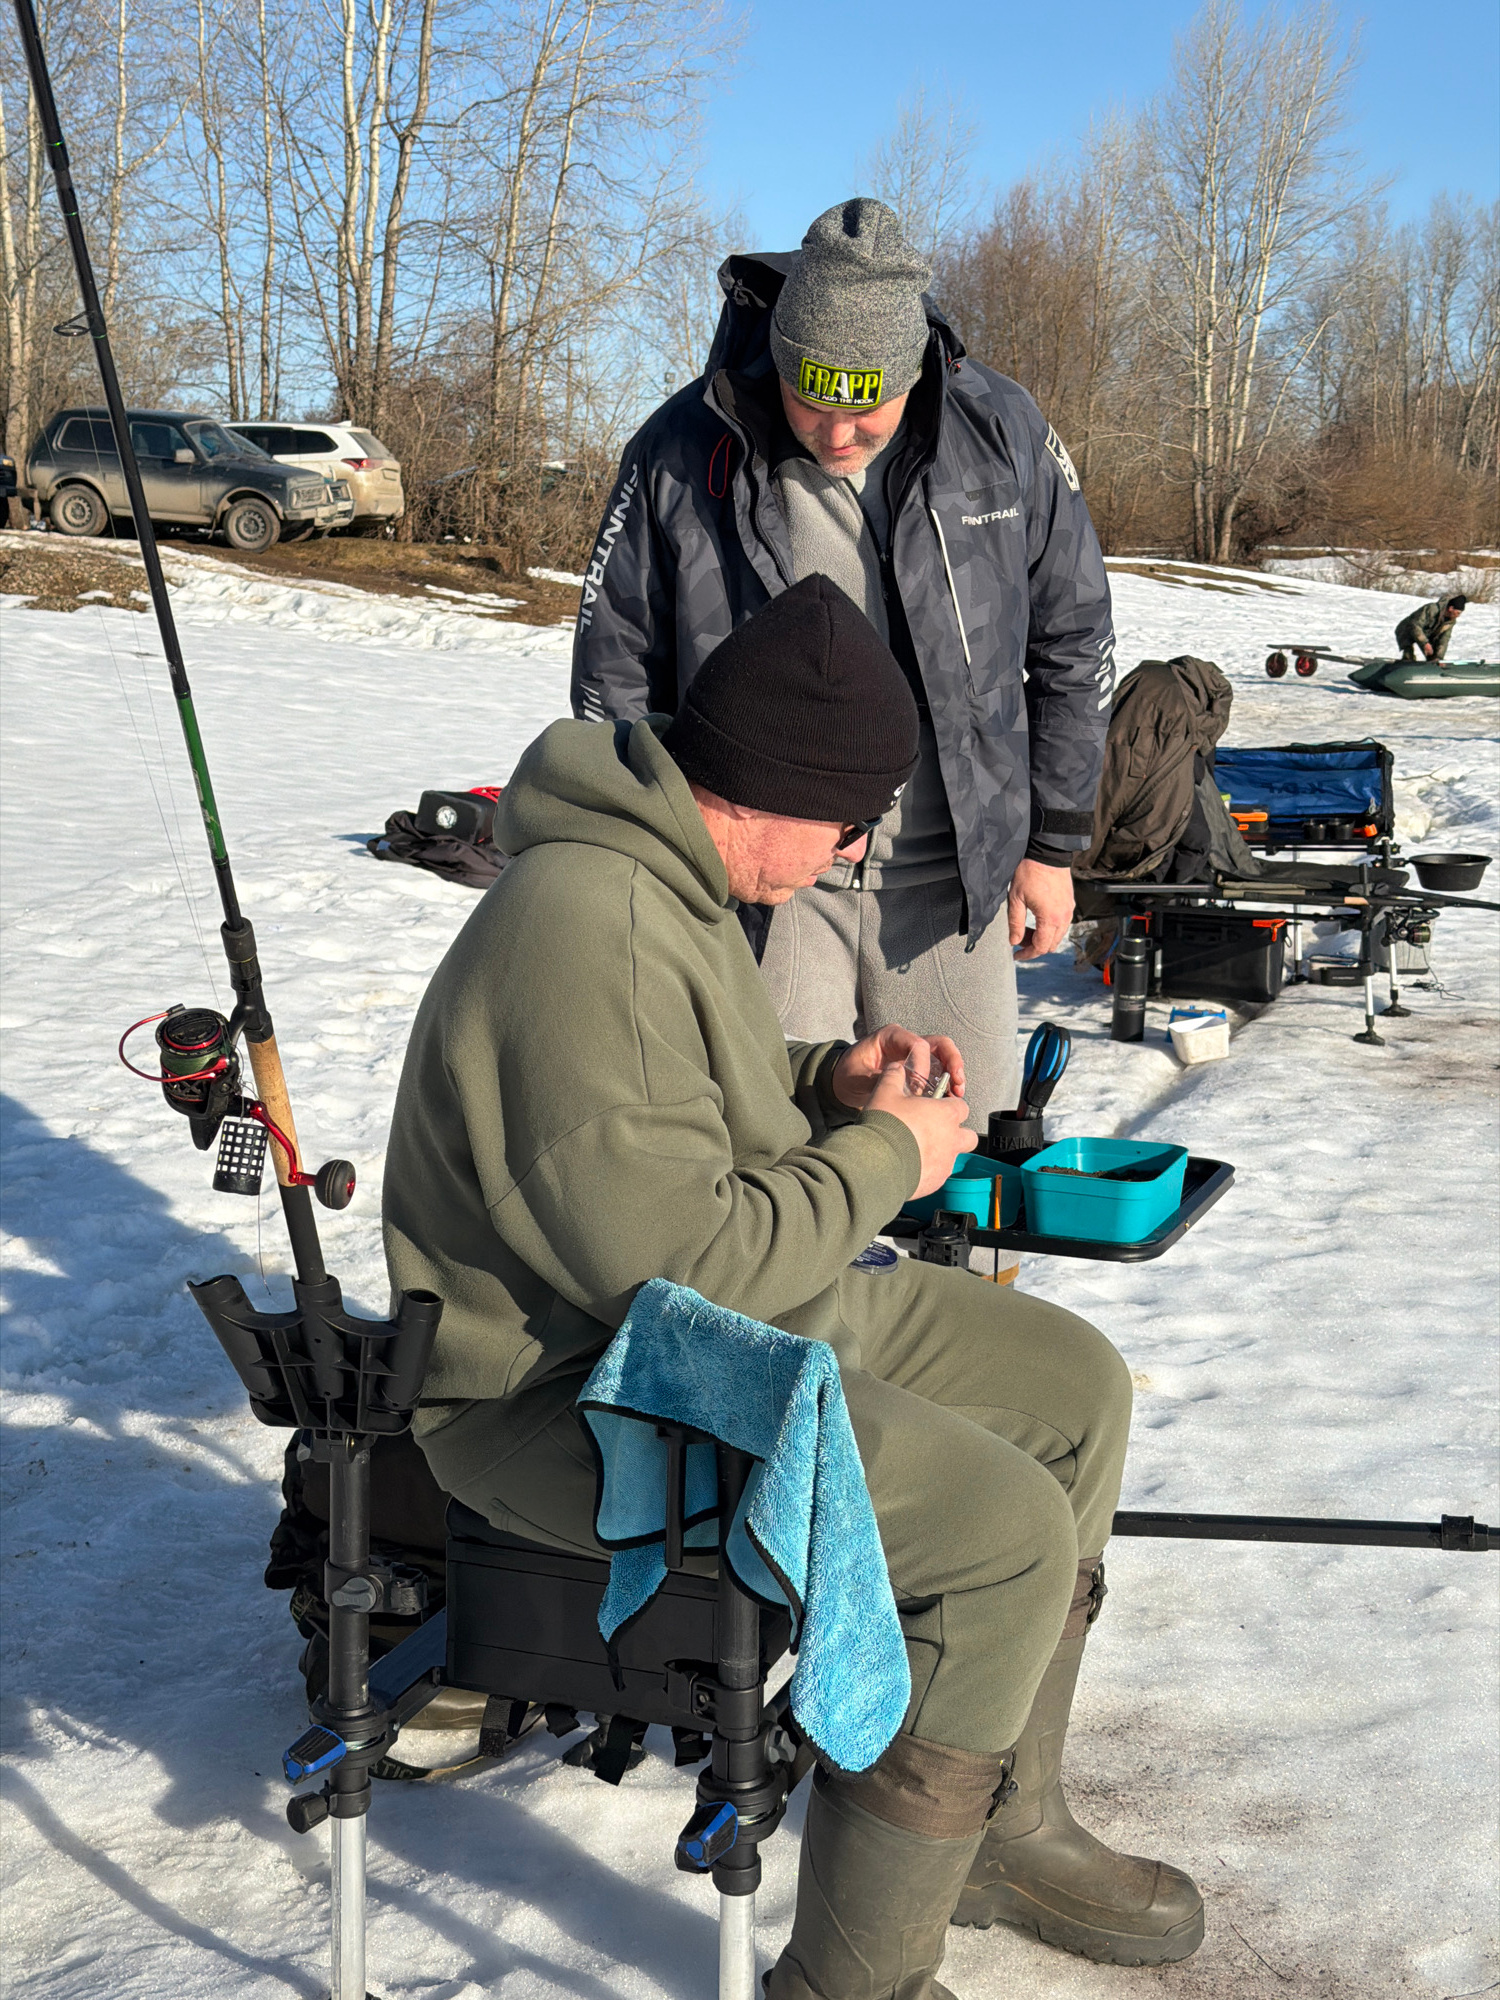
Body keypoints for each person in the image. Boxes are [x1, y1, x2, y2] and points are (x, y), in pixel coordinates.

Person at [385, 579, 1202, 1996]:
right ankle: (852, 1979)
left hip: (688, 1330)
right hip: (571, 1393)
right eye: (850, 816)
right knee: (1001, 1531)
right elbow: (682, 1266)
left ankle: (995, 1829)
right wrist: (886, 1157)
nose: (859, 846)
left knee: (1071, 1388)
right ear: (767, 787)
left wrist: (826, 1081)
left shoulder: (665, 878)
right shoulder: (584, 922)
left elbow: (674, 1099)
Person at [570, 197, 1116, 1143]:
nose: (836, 437)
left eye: (866, 409)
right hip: (769, 888)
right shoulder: (681, 449)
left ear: (912, 372)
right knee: (775, 1148)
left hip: (949, 884)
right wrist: (652, 861)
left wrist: (1053, 844)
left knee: (965, 1153)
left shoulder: (1001, 433)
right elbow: (615, 672)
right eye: (811, 402)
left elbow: (1073, 636)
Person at [1395, 592, 1466, 661]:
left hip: (1427, 633)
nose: (1458, 616)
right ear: (1451, 608)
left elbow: (1444, 639)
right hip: (1407, 629)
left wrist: (1439, 657)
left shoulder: (1450, 621)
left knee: (1433, 656)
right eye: (1457, 613)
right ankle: (1407, 661)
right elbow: (1415, 625)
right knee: (1408, 653)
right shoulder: (1431, 609)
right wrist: (1424, 643)